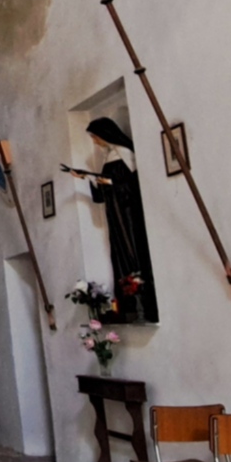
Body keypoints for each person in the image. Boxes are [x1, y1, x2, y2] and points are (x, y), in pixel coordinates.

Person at [69, 117, 159, 323]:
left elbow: (134, 185)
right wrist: (89, 178)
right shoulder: (108, 157)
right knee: (119, 251)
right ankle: (127, 302)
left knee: (133, 247)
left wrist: (110, 182)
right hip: (115, 214)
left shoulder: (126, 153)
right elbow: (102, 194)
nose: (95, 142)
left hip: (129, 213)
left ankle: (144, 299)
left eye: (95, 137)